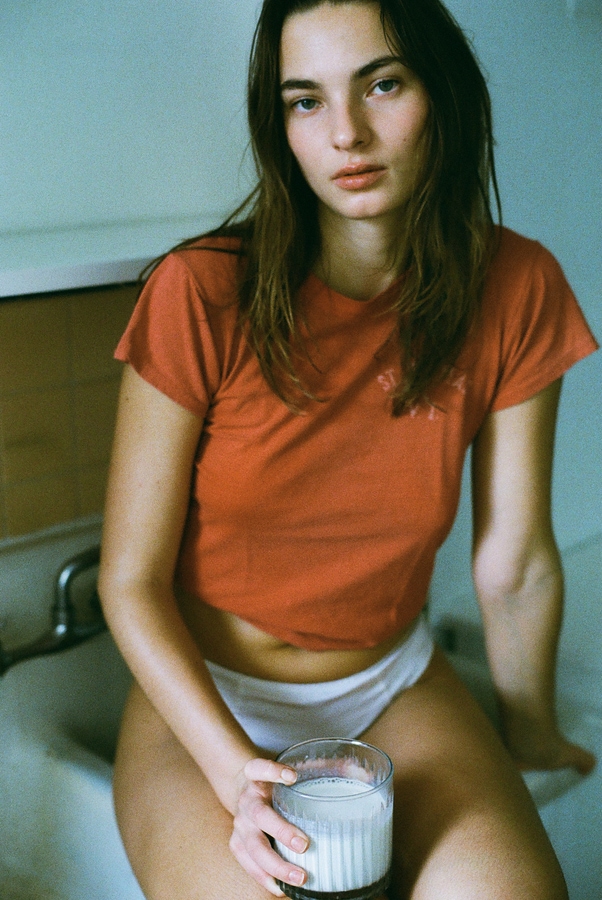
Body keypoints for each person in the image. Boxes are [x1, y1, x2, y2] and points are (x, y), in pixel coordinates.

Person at [98, 1, 598, 898]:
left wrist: (530, 735)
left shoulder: (519, 285)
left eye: (383, 84)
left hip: (391, 687)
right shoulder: (201, 292)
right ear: (280, 127)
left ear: (443, 94)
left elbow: (516, 563)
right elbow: (128, 580)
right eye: (306, 101)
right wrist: (236, 777)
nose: (346, 134)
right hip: (210, 702)